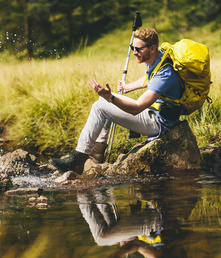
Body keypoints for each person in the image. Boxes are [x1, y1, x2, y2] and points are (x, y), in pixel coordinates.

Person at [50, 27, 183, 174]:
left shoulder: (165, 73)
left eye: (138, 49)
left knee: (100, 106)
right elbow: (149, 79)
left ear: (152, 48)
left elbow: (136, 108)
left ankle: (78, 160)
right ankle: (97, 155)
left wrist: (111, 98)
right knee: (102, 99)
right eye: (132, 48)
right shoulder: (157, 59)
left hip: (160, 123)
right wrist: (127, 87)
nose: (134, 52)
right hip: (156, 113)